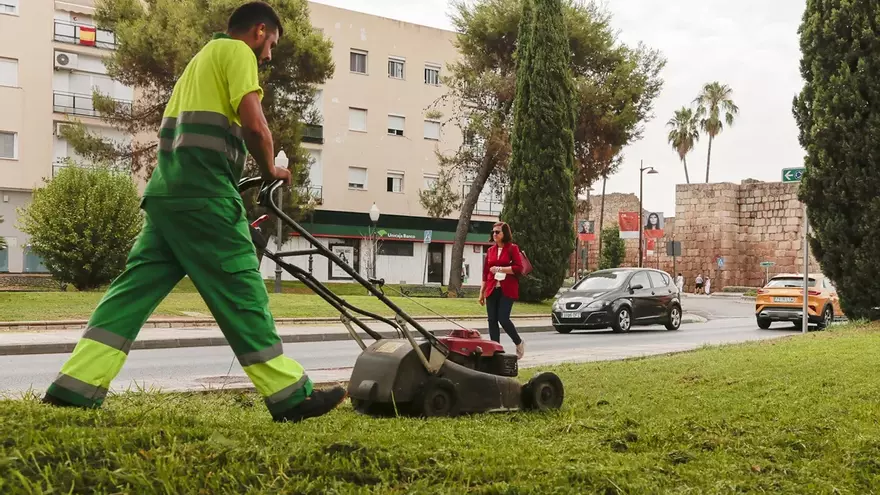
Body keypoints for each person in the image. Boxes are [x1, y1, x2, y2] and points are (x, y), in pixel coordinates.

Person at [40, 2, 346, 423]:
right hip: (204, 198)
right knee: (243, 291)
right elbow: (254, 125)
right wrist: (271, 169)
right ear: (259, 31)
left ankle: (72, 389)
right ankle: (290, 396)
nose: (269, 55)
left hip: (166, 198)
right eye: (271, 44)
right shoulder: (237, 54)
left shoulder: (197, 62)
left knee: (129, 296)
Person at [480, 222, 526, 359]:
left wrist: (500, 269)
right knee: (492, 320)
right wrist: (481, 292)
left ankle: (518, 342)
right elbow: (485, 273)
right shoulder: (490, 251)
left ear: (504, 234)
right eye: (493, 232)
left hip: (507, 289)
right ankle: (496, 349)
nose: (494, 234)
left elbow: (518, 268)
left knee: (503, 319)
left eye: (497, 232)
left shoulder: (512, 248)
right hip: (492, 288)